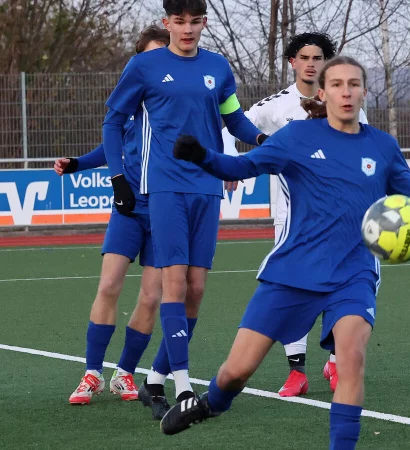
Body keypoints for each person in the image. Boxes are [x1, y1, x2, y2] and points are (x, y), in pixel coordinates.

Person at [157, 56, 410, 448]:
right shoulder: (295, 138)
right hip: (293, 271)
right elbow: (241, 167)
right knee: (235, 373)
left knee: (351, 360)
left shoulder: (382, 146)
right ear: (322, 93)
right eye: (338, 84)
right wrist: (202, 157)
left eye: (355, 84)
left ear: (364, 92)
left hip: (353, 274)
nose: (347, 91)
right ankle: (212, 404)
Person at [101, 0, 267, 418]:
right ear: (166, 23)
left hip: (208, 187)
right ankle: (183, 387)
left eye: (195, 22)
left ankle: (153, 380)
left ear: (204, 23)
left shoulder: (219, 66)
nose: (188, 29)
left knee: (195, 290)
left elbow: (235, 122)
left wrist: (266, 141)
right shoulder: (144, 66)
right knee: (173, 286)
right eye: (180, 22)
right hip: (166, 188)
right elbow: (111, 123)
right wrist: (119, 178)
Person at [221, 31, 367, 397]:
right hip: (291, 217)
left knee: (340, 289)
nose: (311, 64)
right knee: (295, 289)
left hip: (341, 219)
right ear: (293, 62)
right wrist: (231, 165)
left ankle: (334, 360)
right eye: (304, 57)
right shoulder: (275, 106)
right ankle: (296, 372)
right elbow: (231, 126)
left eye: (318, 58)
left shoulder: (348, 102)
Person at [63, 24, 170, 406]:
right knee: (108, 285)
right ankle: (92, 372)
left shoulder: (176, 106)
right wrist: (78, 163)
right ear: (138, 60)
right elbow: (112, 147)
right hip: (128, 208)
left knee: (151, 296)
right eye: (151, 56)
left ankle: (124, 373)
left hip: (165, 209)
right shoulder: (130, 104)